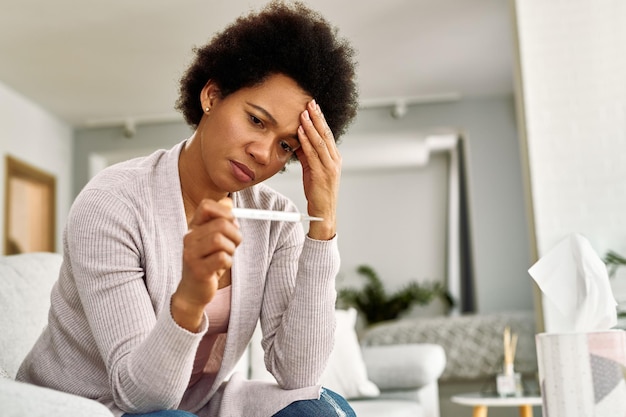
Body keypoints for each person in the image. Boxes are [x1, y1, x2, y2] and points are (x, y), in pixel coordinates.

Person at [16, 1, 359, 416]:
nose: (263, 152)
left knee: (319, 408)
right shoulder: (112, 202)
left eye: (286, 145)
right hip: (89, 405)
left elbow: (298, 374)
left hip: (195, 405)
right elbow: (141, 399)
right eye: (256, 120)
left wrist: (323, 223)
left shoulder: (275, 221)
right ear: (212, 96)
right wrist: (190, 299)